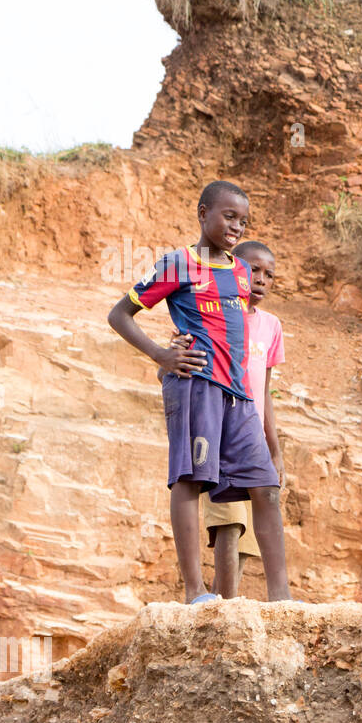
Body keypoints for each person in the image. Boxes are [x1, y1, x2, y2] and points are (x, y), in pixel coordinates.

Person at [106, 180, 292, 605]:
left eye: (243, 221)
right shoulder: (177, 265)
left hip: (239, 396)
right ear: (202, 212)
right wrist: (162, 356)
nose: (236, 227)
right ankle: (195, 591)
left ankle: (281, 597)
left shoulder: (242, 272)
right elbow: (120, 315)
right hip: (196, 387)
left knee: (265, 488)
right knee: (190, 480)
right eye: (229, 216)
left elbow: (239, 332)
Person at [160, 240, 285, 598]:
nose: (259, 280)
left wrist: (274, 449)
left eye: (269, 275)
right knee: (229, 525)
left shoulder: (270, 326)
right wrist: (166, 357)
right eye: (253, 270)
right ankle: (216, 602)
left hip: (250, 435)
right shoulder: (205, 319)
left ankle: (232, 601)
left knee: (251, 532)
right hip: (216, 432)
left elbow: (265, 393)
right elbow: (170, 370)